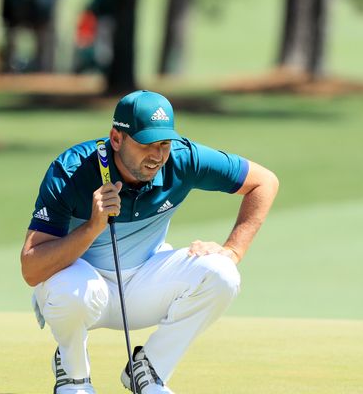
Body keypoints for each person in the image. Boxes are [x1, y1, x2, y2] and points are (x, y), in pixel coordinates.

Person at [21, 90, 279, 394]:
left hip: (145, 285)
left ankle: (149, 370)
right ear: (116, 139)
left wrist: (232, 250)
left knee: (222, 274)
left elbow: (264, 182)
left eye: (164, 144)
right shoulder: (72, 170)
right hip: (80, 290)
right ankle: (73, 373)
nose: (157, 155)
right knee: (72, 291)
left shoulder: (183, 159)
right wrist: (92, 227)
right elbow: (32, 269)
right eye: (146, 144)